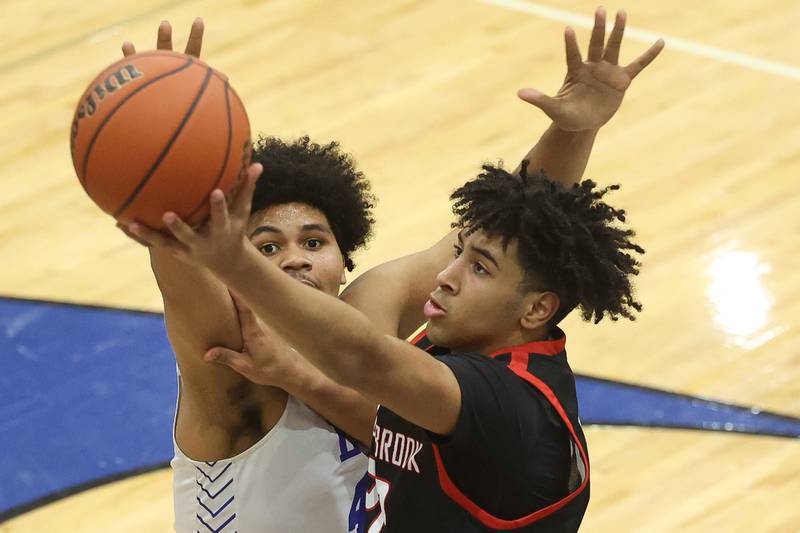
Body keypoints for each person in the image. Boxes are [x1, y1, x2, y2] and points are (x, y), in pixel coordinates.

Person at [134, 8, 662, 531]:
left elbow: (365, 359)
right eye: (265, 248)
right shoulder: (231, 363)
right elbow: (181, 283)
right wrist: (168, 178)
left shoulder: (422, 360)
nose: (293, 257)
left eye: (313, 241)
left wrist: (288, 356)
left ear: (344, 260)